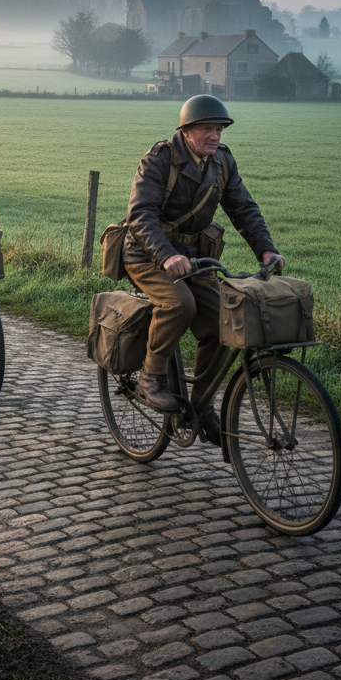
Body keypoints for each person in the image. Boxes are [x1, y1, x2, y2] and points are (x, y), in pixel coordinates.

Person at [122, 94, 285, 443]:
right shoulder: (159, 159)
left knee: (226, 321)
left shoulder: (222, 162)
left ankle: (201, 404)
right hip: (146, 255)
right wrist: (166, 255)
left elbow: (243, 208)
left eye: (219, 129)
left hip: (193, 258)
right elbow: (140, 214)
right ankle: (151, 377)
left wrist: (266, 249)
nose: (215, 136)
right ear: (186, 131)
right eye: (207, 129)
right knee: (179, 304)